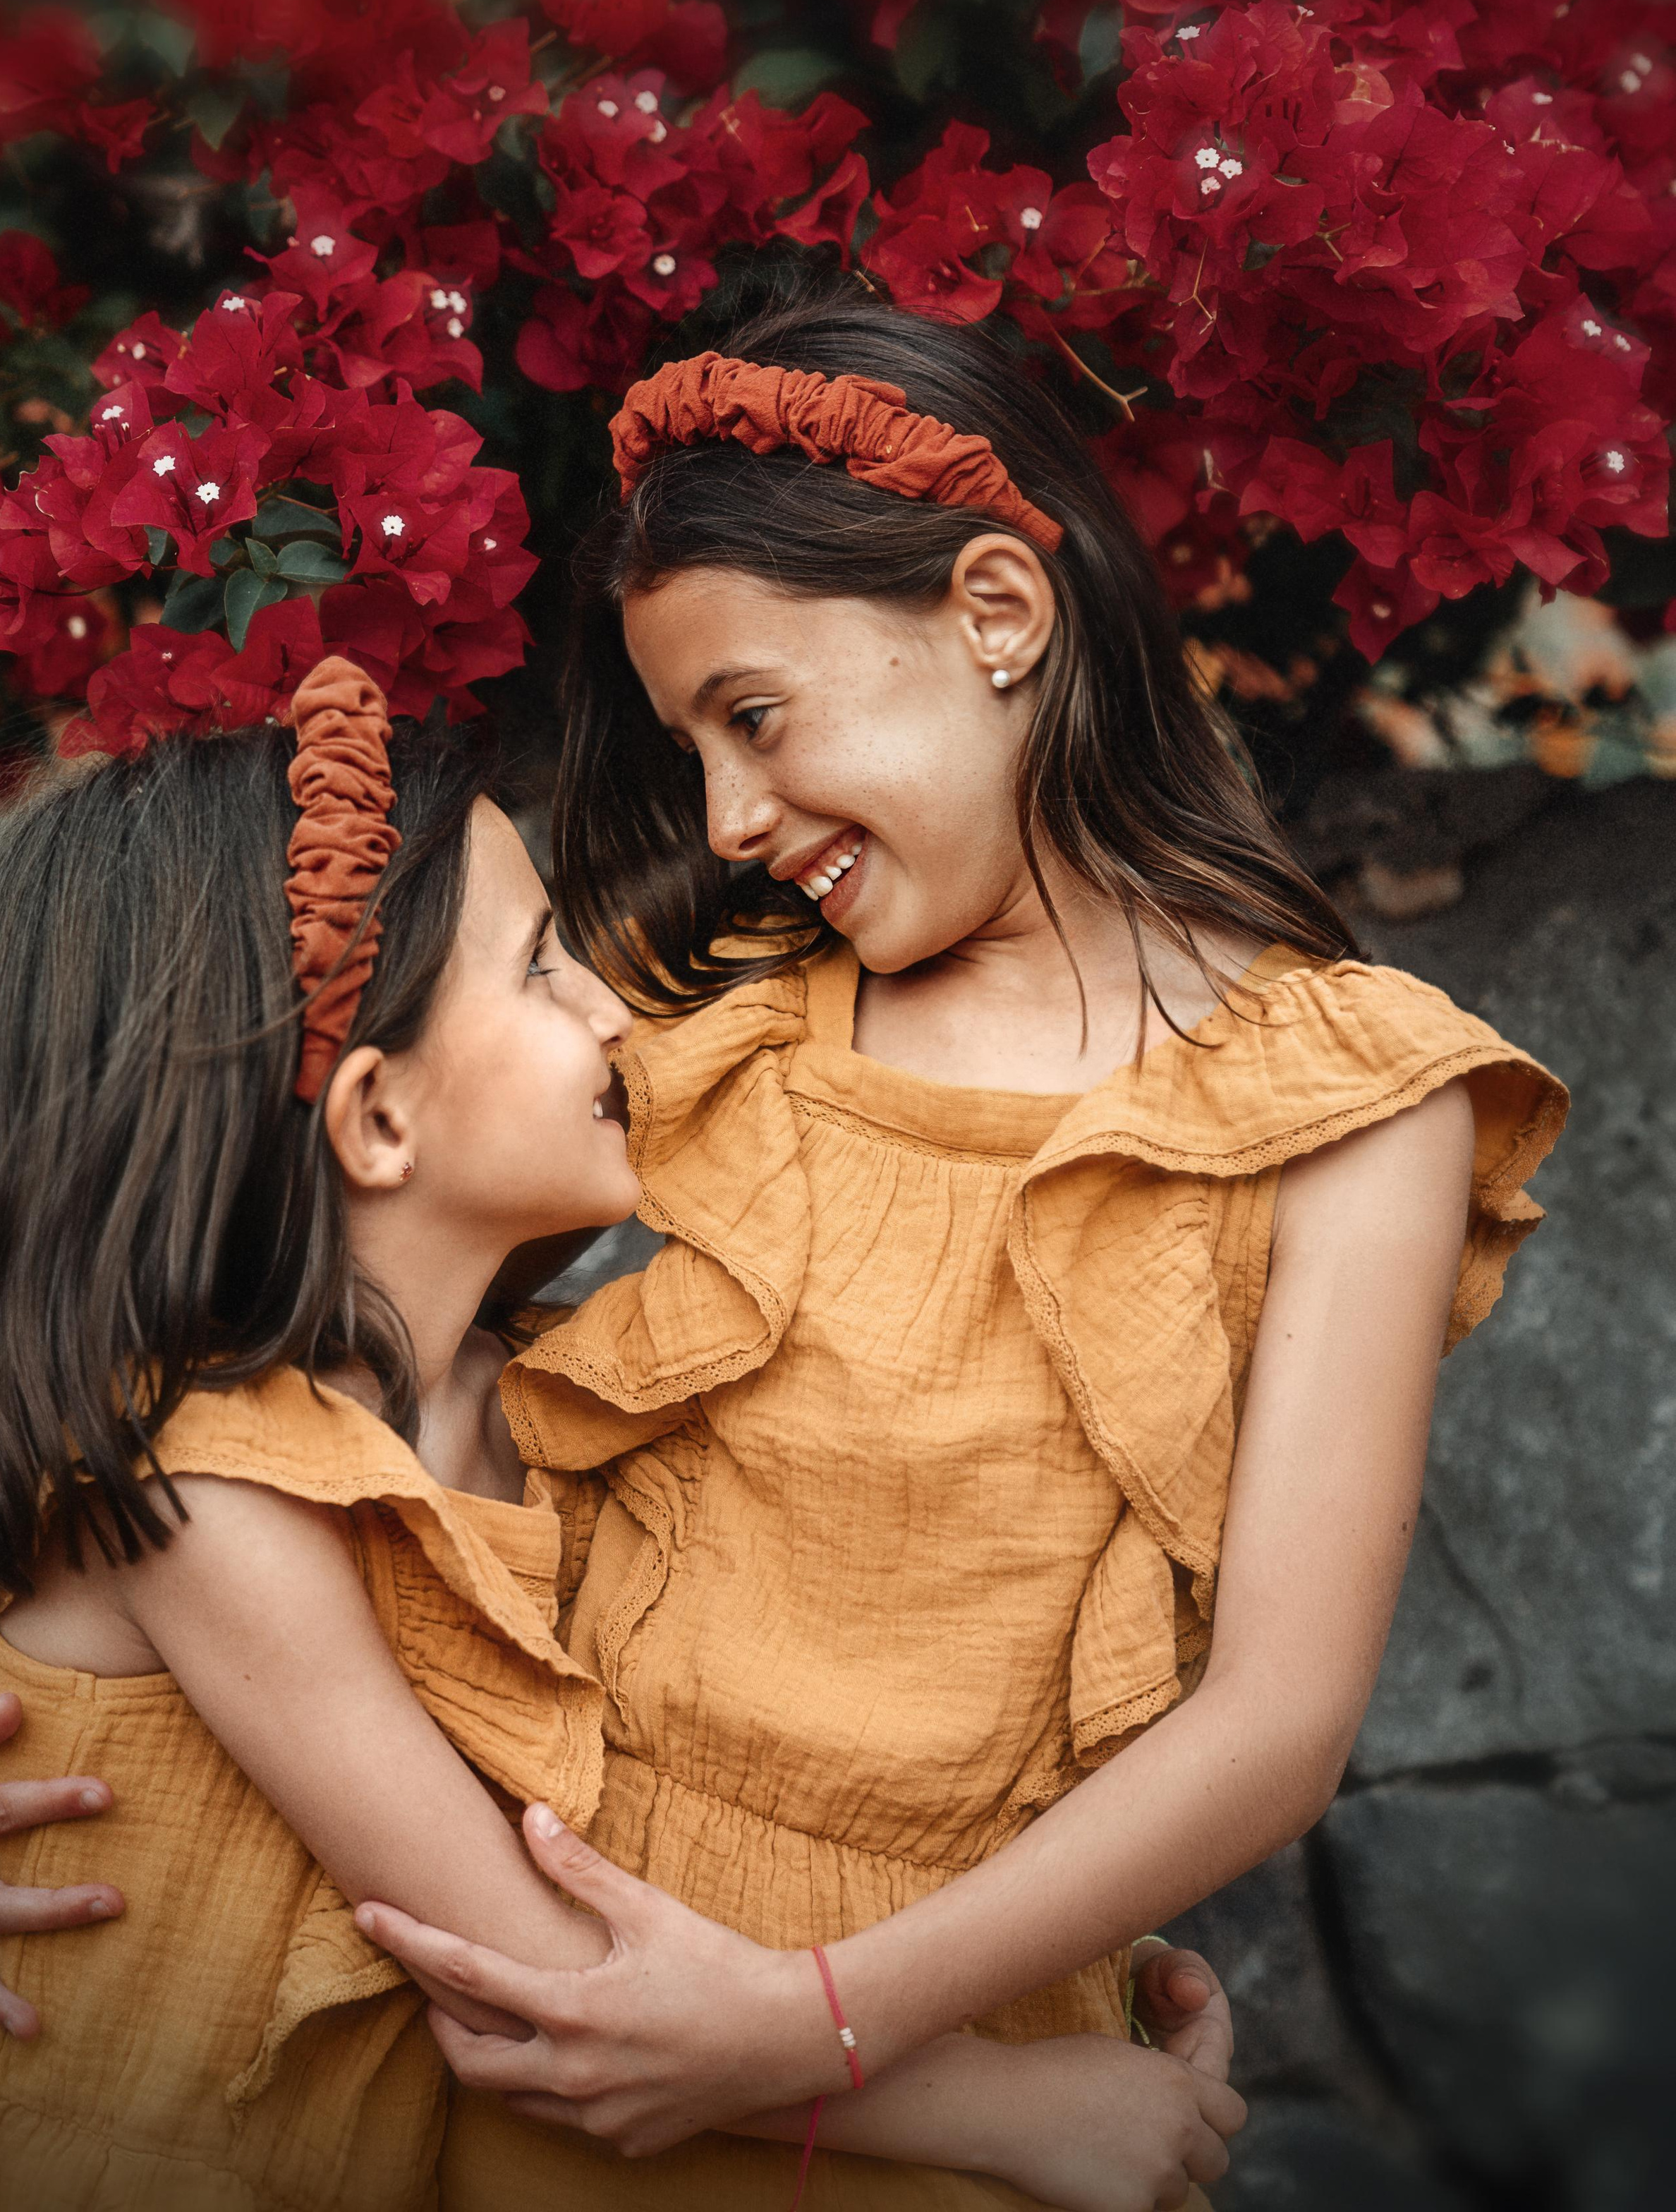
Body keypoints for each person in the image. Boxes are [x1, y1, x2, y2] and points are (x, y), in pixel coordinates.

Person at [338, 285, 1568, 2188]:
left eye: (754, 717)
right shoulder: (713, 1023)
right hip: (570, 1995)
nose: (727, 816)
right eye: (693, 749)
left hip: (950, 2054)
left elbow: (1276, 1722)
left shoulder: (1350, 1105)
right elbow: (302, 1332)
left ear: (996, 612)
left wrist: (815, 2026)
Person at [0, 652, 1244, 2212]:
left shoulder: (532, 1403)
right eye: (539, 968)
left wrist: (1057, 1960)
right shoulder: (204, 1497)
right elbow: (534, 1980)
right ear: (377, 1118)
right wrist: (1015, 2107)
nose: (608, 1006)